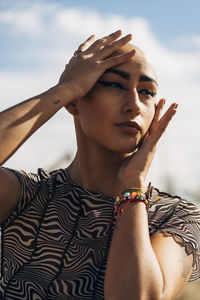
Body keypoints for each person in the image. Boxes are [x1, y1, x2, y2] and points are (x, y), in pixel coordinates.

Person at [0, 30, 200, 300]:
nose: (134, 105)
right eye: (115, 85)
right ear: (75, 101)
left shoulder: (176, 218)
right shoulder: (26, 196)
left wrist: (133, 187)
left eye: (147, 92)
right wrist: (63, 90)